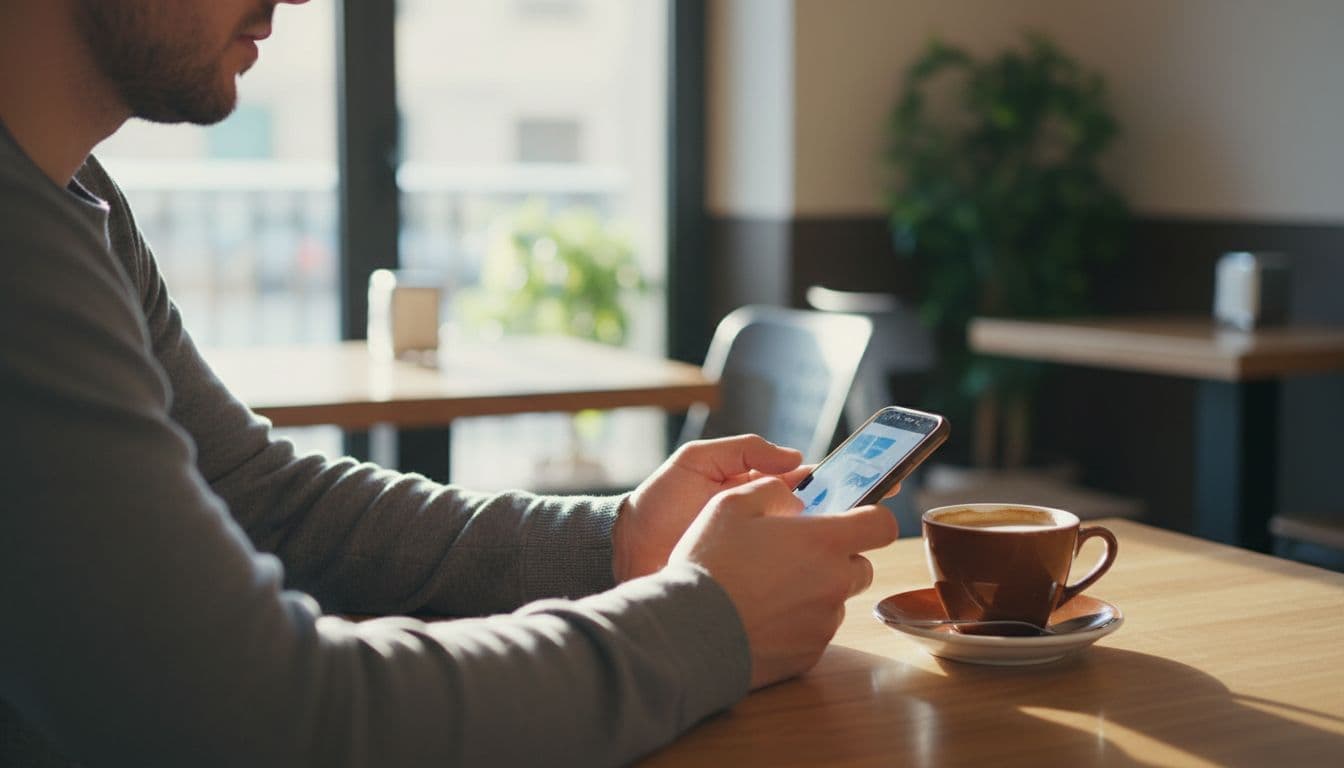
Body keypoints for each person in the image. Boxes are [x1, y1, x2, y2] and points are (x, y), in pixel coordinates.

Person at [0, 1, 900, 765]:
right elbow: (264, 715)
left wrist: (617, 543)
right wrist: (708, 624)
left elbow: (258, 495)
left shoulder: (80, 201)